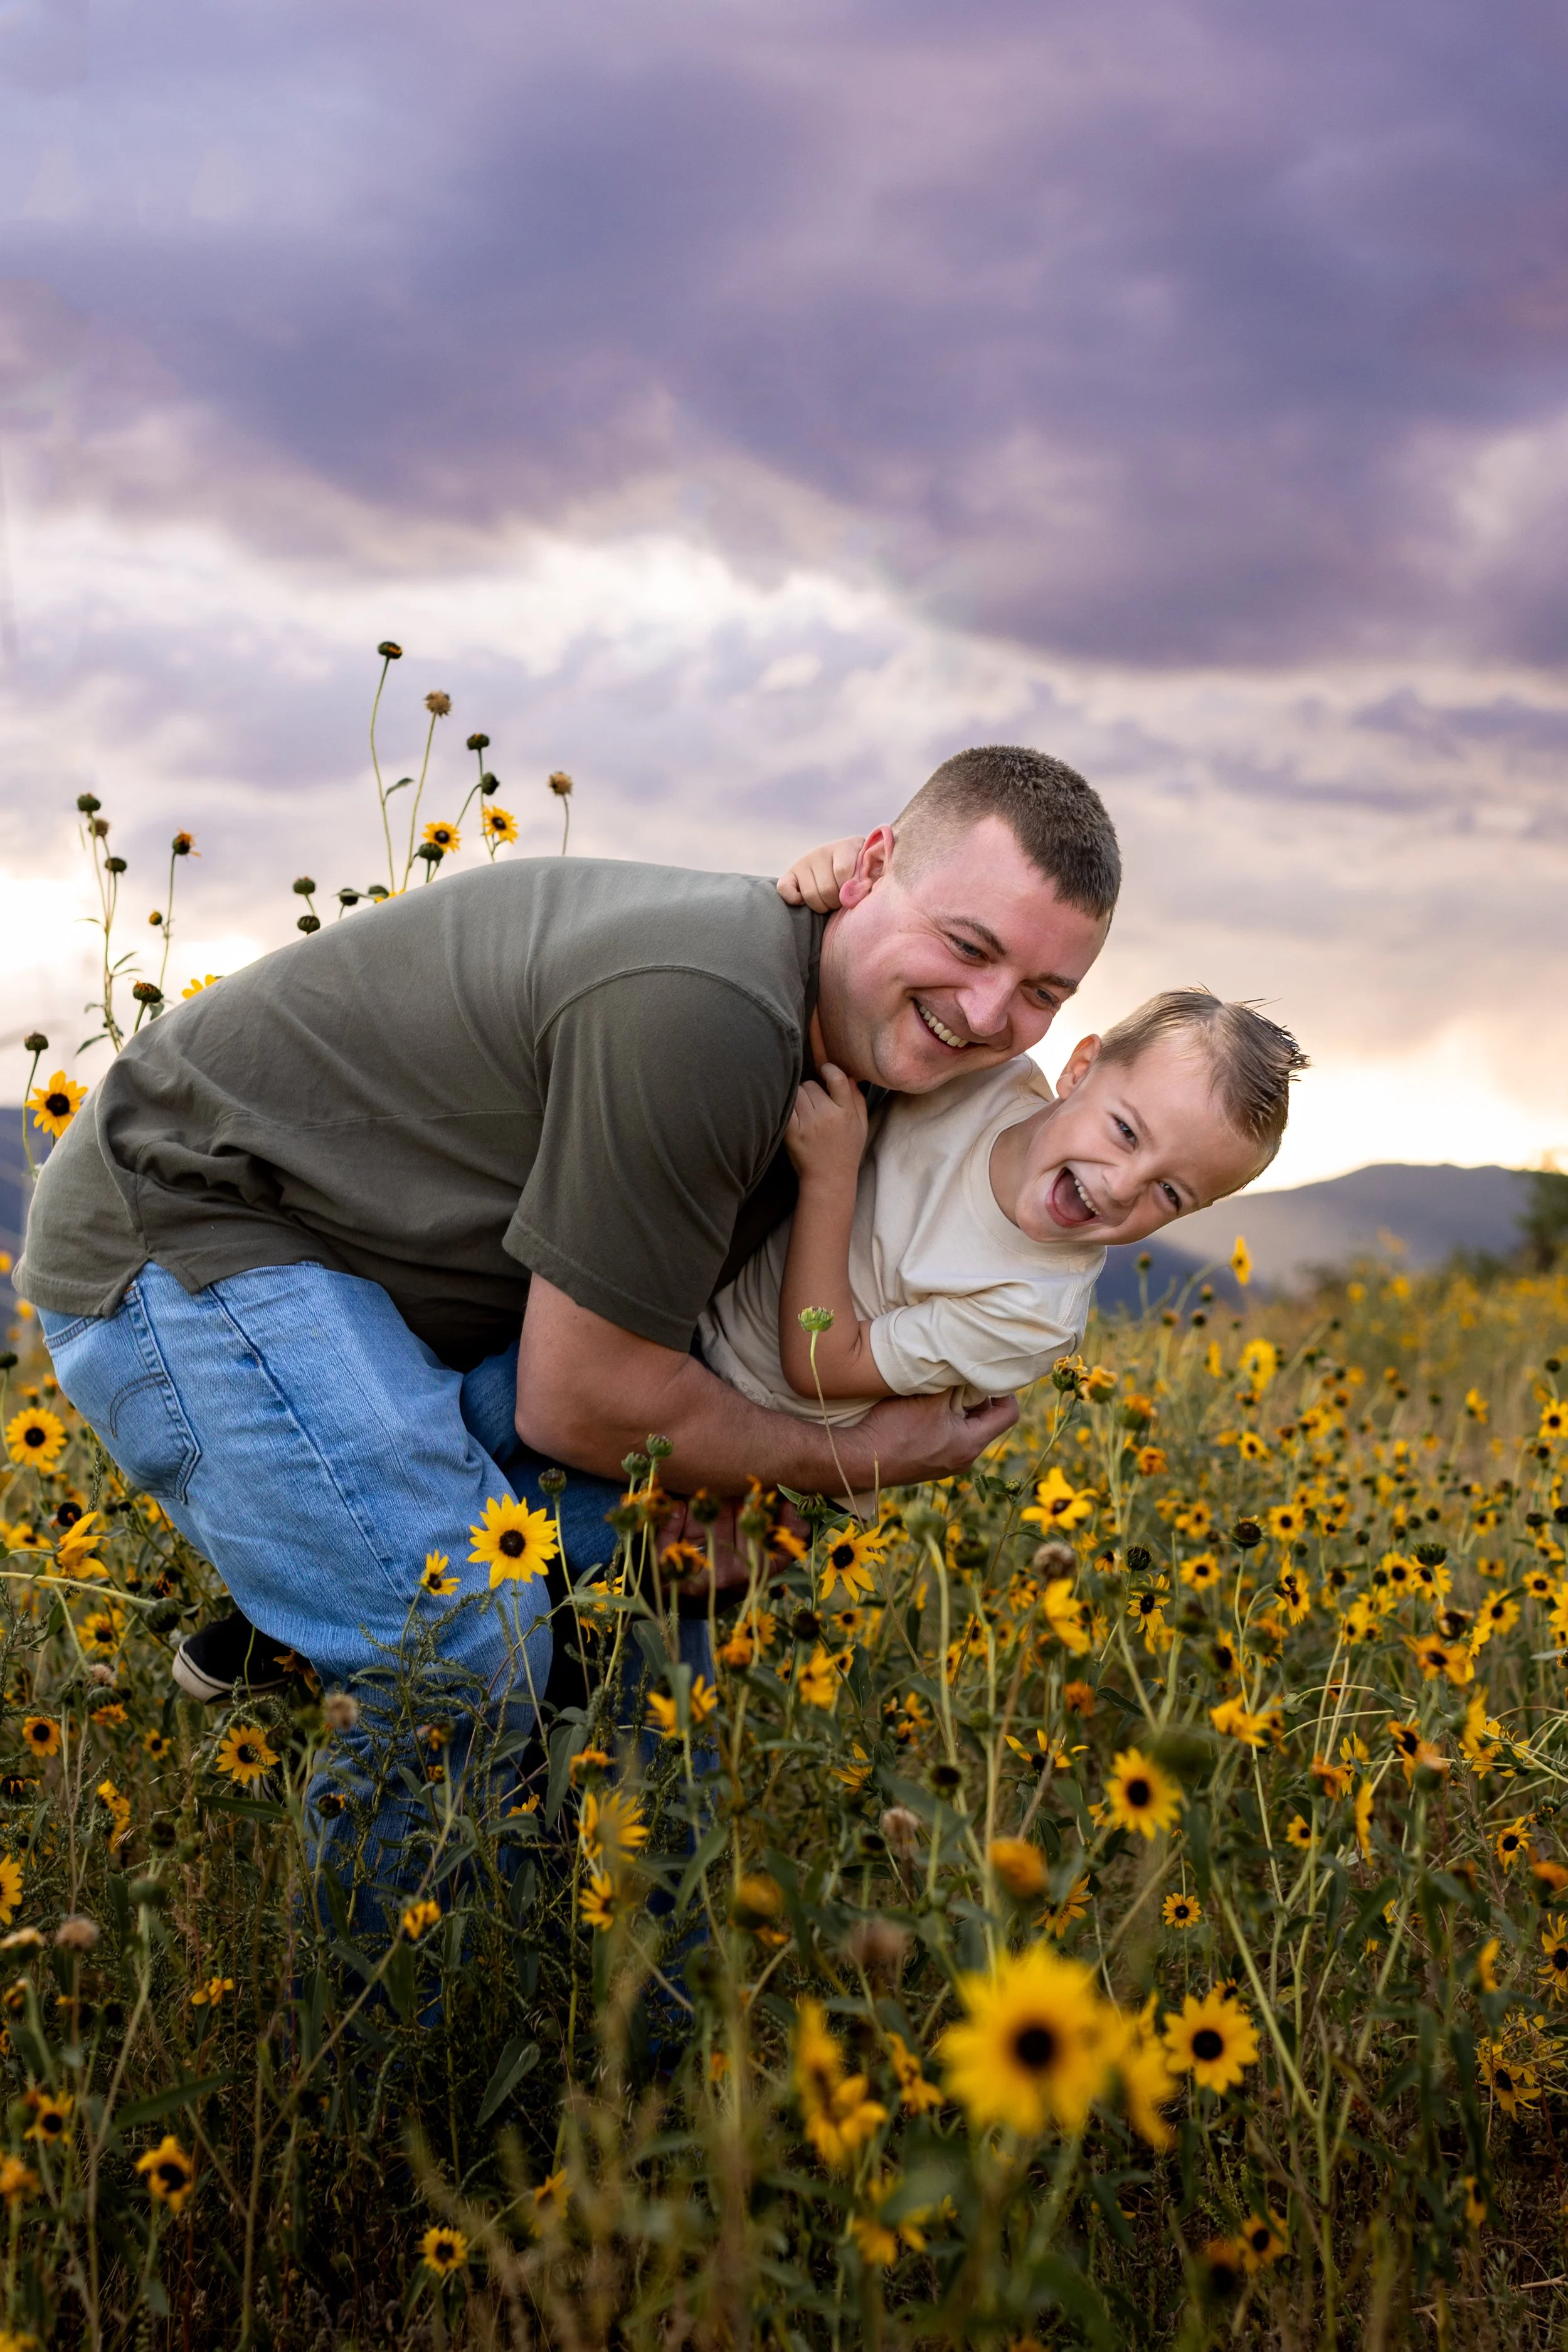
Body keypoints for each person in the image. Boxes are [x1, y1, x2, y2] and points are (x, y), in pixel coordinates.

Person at [16, 744, 1118, 1888]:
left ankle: (624, 2002)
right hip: (192, 1229)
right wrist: (840, 1459)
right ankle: (387, 2045)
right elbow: (580, 1401)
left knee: (650, 1565)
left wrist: (718, 1479)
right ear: (872, 868)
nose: (992, 1013)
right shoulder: (712, 1018)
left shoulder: (875, 1049)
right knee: (457, 1636)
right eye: (968, 945)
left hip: (397, 1306)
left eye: (1043, 992)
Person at [700, 990, 1308, 1439]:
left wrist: (829, 1180)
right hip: (692, 1306)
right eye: (1125, 1131)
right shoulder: (984, 1075)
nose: (1124, 1187)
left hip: (754, 1426)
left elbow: (826, 1368)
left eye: (1170, 1193)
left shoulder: (1036, 1313)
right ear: (1079, 1070)